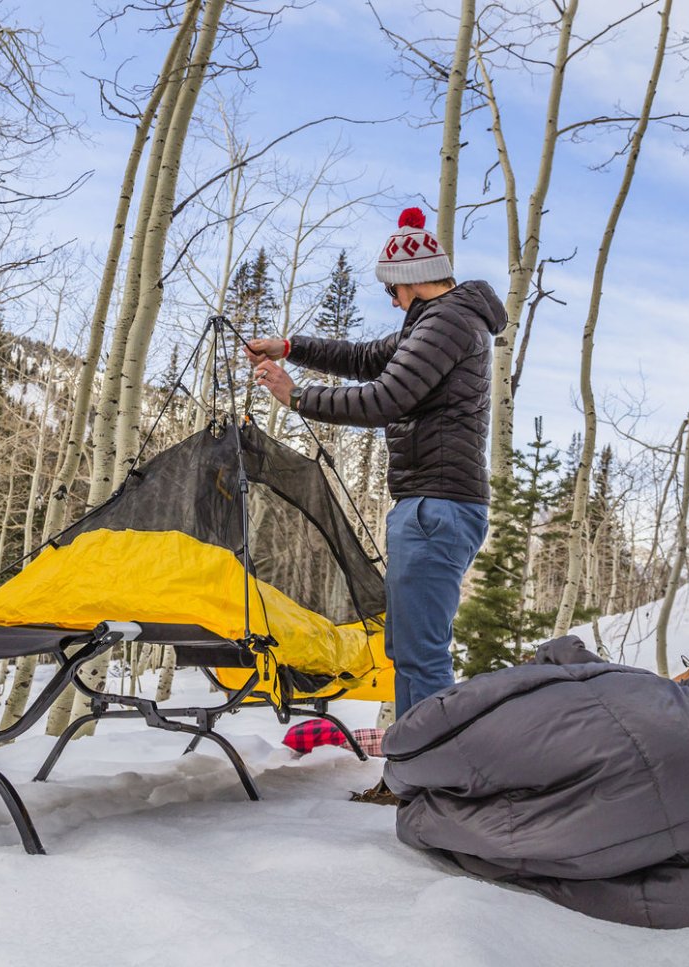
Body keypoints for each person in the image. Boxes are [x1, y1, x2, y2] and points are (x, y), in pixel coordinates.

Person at [247, 207, 507, 802]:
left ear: (411, 279)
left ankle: (429, 786)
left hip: (436, 506)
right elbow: (366, 358)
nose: (392, 301)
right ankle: (411, 778)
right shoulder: (440, 323)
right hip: (430, 505)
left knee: (421, 655)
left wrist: (295, 397)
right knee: (410, 651)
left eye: (392, 290)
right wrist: (290, 347)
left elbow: (384, 397)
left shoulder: (448, 322)